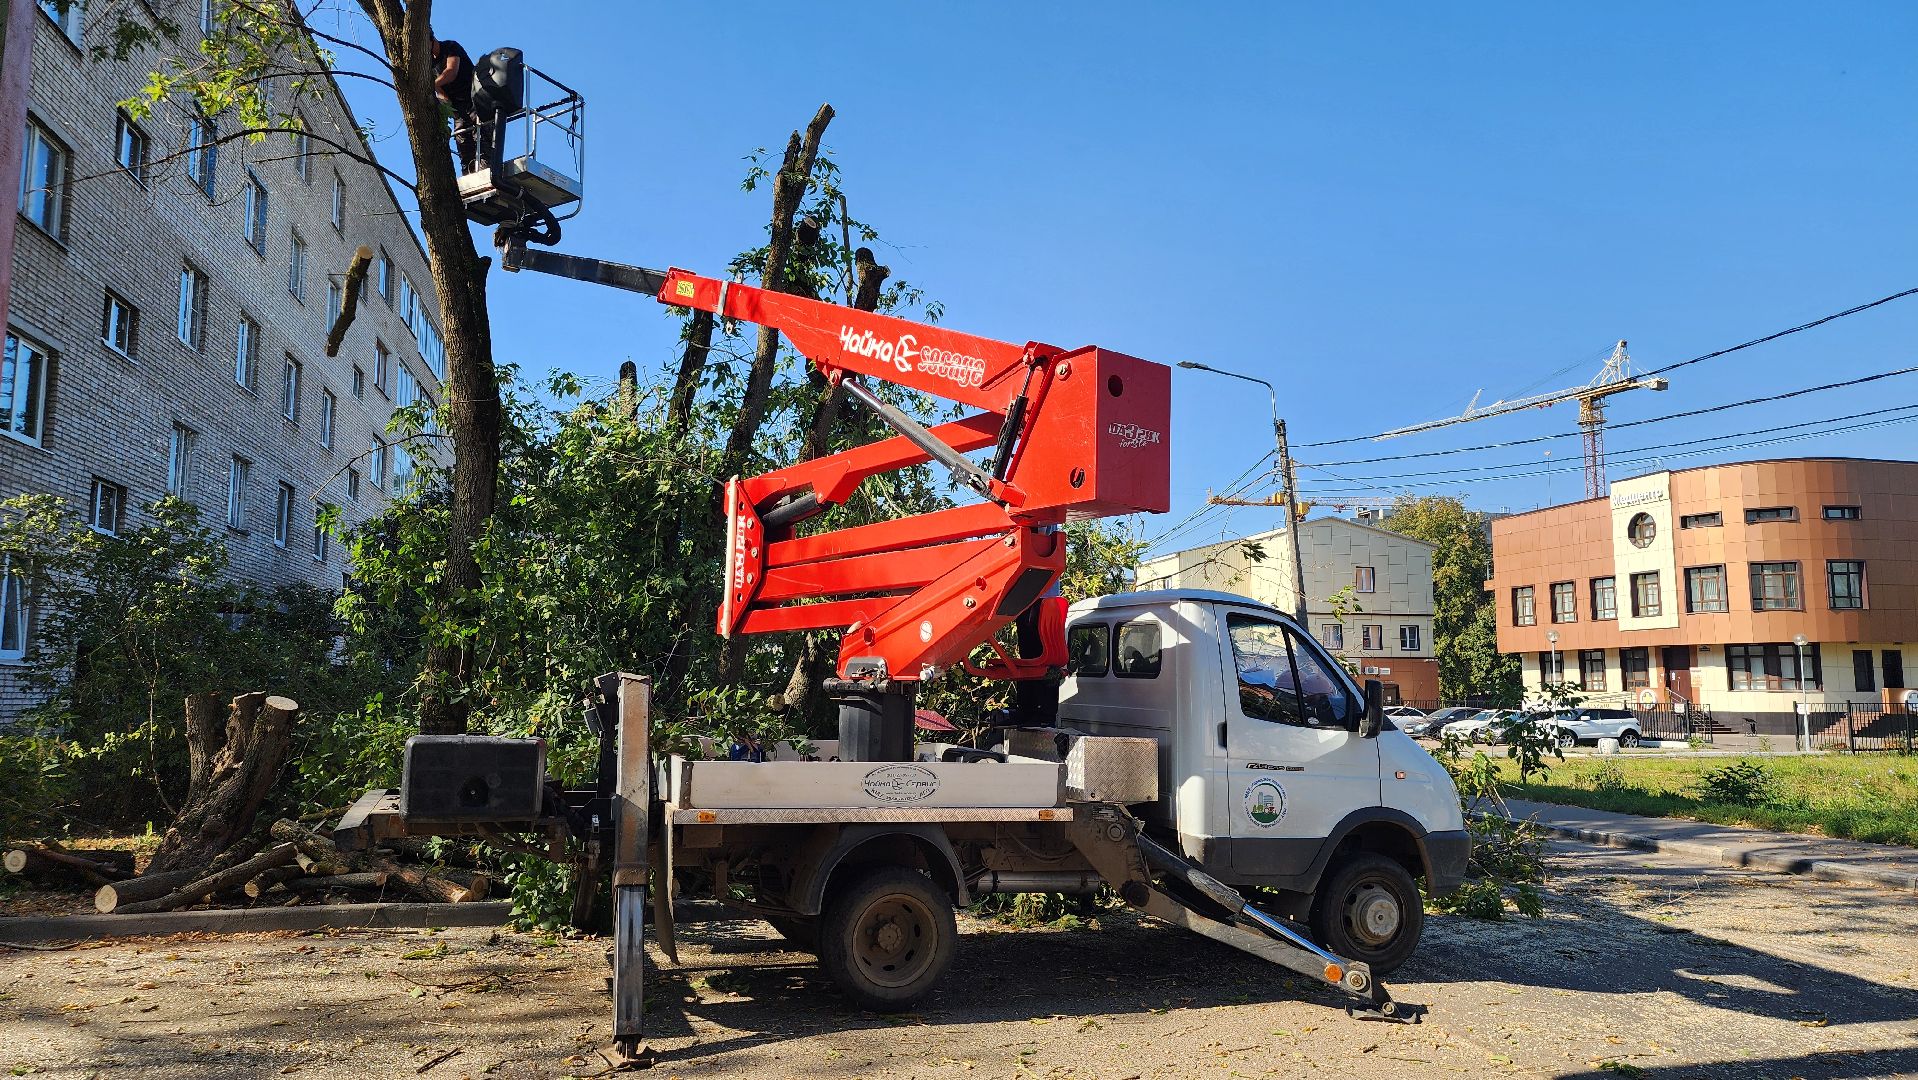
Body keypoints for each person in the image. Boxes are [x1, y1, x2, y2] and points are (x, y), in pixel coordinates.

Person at [432, 38, 479, 172]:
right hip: (458, 108)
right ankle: (468, 174)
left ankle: (485, 169)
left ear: (431, 39)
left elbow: (451, 72)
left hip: (473, 100)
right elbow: (440, 92)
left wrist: (433, 84)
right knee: (463, 144)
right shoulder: (428, 63)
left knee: (480, 138)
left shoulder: (450, 47)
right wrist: (447, 108)